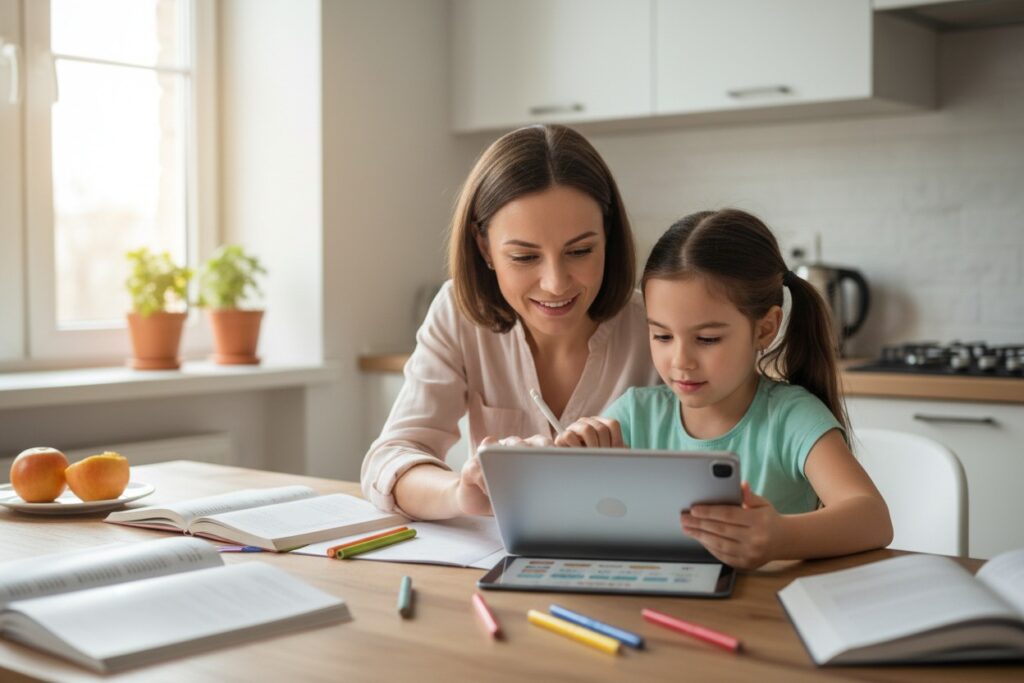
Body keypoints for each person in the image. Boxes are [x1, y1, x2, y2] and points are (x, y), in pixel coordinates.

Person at [553, 209, 893, 569]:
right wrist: (580, 460)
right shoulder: (635, 414)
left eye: (707, 338)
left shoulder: (792, 416)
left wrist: (781, 537)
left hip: (767, 616)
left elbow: (873, 519)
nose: (680, 360)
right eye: (662, 336)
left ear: (764, 329)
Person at [360, 124, 659, 520]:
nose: (555, 284)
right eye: (524, 257)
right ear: (483, 246)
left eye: (581, 251)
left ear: (608, 235)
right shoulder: (457, 313)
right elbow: (390, 459)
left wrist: (634, 477)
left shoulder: (658, 328)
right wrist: (461, 492)